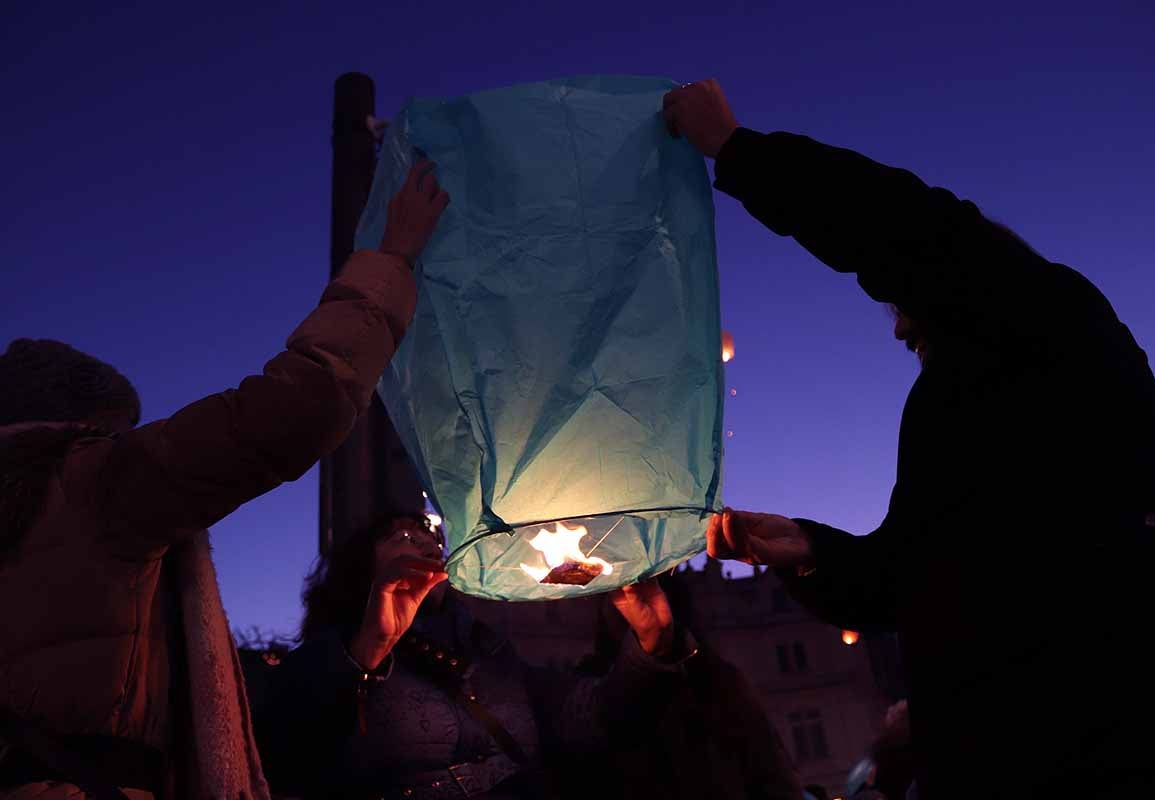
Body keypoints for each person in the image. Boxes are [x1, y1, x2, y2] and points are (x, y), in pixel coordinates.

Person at [663, 79, 1155, 798]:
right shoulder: (966, 418)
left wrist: (737, 150)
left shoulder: (1052, 320)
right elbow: (908, 578)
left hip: (1112, 739)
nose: (899, 329)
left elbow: (915, 227)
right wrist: (810, 549)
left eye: (908, 314)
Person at [0, 161, 449, 799]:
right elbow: (304, 402)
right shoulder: (91, 483)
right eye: (116, 430)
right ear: (85, 428)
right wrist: (394, 258)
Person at [254, 514, 699, 799]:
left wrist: (652, 643)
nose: (430, 547)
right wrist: (370, 646)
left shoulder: (492, 652)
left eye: (433, 537)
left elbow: (593, 721)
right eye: (404, 537)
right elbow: (282, 746)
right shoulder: (326, 656)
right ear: (364, 568)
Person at [559, 574, 801, 800]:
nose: (634, 608)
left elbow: (767, 765)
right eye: (614, 597)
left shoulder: (719, 681)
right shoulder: (587, 688)